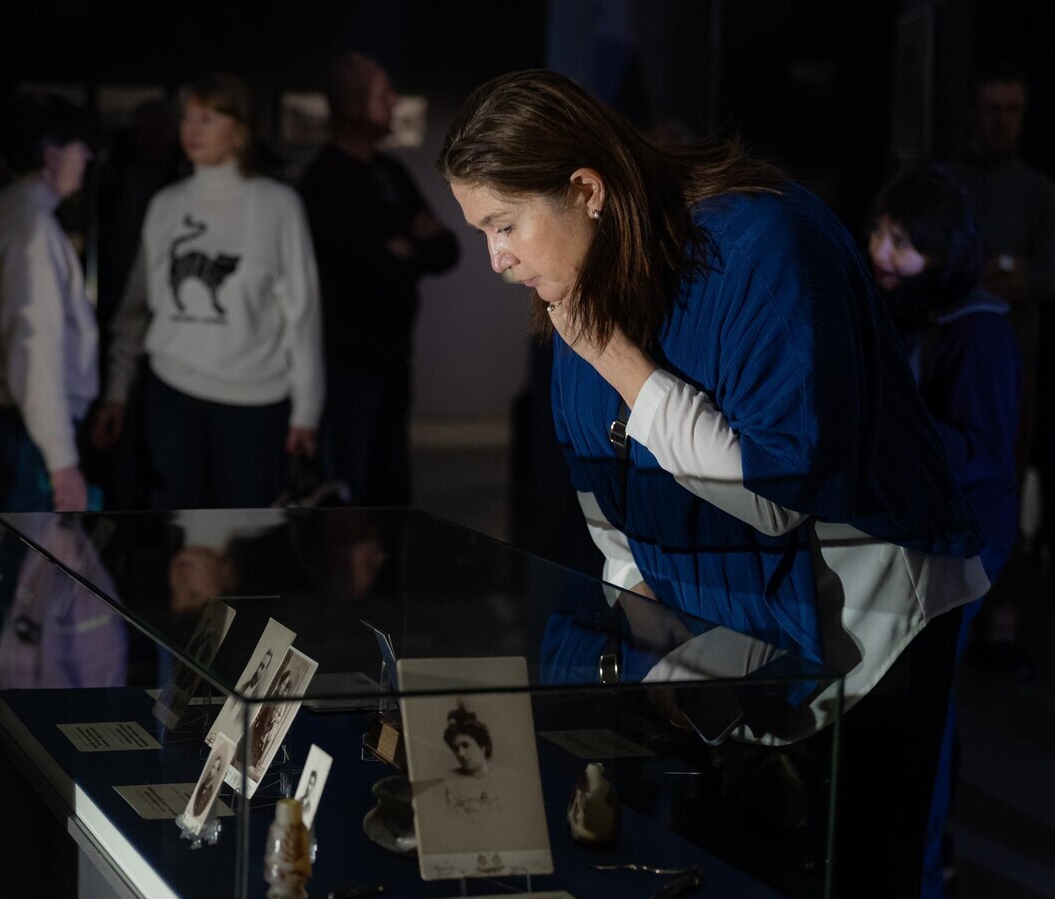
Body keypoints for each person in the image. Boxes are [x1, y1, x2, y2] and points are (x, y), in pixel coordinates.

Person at [438, 69, 988, 898]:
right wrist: (658, 642)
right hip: (733, 635)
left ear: (585, 190)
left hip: (871, 619)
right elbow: (612, 518)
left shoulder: (764, 242)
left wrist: (619, 359)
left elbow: (776, 491)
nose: (496, 259)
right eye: (483, 231)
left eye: (504, 224)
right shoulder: (576, 300)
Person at [869, 164, 1022, 899]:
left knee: (926, 705)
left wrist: (890, 430)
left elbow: (986, 452)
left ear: (943, 251)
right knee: (923, 703)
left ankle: (922, 872)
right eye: (879, 232)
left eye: (903, 242)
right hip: (919, 535)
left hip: (961, 543)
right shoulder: (910, 308)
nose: (881, 251)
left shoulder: (979, 330)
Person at [93, 73, 323, 510]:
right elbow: (136, 306)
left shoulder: (278, 206)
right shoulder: (166, 205)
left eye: (208, 117)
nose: (192, 129)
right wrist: (117, 390)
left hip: (254, 398)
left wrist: (307, 407)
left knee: (246, 533)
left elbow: (302, 312)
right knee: (175, 526)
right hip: (172, 391)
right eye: (187, 117)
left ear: (239, 130)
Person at [299, 52, 459, 505]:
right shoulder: (326, 180)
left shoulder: (390, 172)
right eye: (383, 94)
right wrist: (407, 245)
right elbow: (378, 272)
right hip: (346, 364)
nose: (393, 104)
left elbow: (447, 249)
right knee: (353, 494)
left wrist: (402, 248)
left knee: (392, 489)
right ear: (352, 106)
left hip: (393, 358)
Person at [947, 60, 1055, 670]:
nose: (1002, 122)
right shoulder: (950, 181)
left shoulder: (1037, 192)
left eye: (1012, 110)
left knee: (1005, 480)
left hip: (1018, 365)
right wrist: (995, 273)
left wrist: (1009, 276)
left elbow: (1045, 274)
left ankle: (1001, 613)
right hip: (951, 360)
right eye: (992, 110)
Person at [0, 93, 97, 514]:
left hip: (18, 418)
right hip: (27, 423)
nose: (88, 157)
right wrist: (62, 460)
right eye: (80, 147)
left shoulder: (7, 211)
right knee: (34, 549)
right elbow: (34, 345)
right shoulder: (30, 227)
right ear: (51, 156)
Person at [441, 703, 501, 822]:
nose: (461, 753)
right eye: (456, 749)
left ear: (482, 745)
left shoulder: (505, 779)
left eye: (466, 745)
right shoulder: (450, 781)